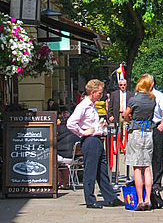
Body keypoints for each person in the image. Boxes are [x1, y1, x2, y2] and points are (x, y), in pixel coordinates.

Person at [67, 79, 123, 209]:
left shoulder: (92, 105)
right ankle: (90, 200)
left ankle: (110, 197)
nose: (101, 95)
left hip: (97, 139)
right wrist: (83, 132)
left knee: (102, 171)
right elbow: (71, 123)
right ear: (92, 92)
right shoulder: (83, 105)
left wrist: (100, 126)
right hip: (90, 140)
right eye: (99, 93)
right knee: (91, 171)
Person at [124, 75, 156, 211]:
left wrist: (129, 118)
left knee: (137, 167)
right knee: (147, 167)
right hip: (148, 132)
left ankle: (140, 200)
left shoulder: (133, 100)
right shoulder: (152, 100)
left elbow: (125, 115)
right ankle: (148, 199)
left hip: (136, 133)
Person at [145, 74, 163, 191]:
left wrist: (162, 124)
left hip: (156, 127)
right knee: (143, 156)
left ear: (153, 83)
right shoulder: (139, 95)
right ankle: (144, 181)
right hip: (143, 128)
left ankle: (156, 182)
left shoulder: (159, 95)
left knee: (157, 156)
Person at [57, 111, 79, 189]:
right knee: (64, 164)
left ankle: (60, 181)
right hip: (74, 158)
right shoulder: (74, 129)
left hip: (62, 157)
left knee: (49, 160)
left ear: (60, 120)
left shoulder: (57, 130)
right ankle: (64, 182)